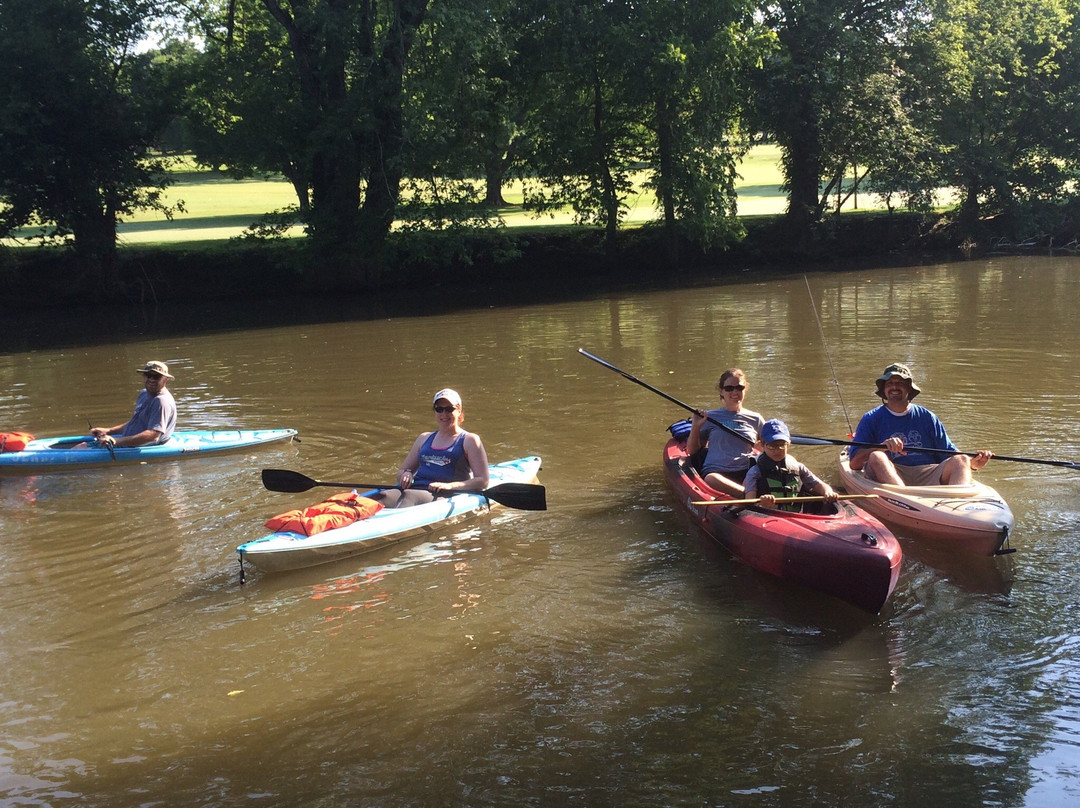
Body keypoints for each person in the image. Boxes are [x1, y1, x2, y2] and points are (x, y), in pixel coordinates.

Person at [849, 362, 991, 486]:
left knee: (962, 459)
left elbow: (950, 455)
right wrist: (881, 447)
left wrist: (974, 464)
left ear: (909, 388)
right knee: (876, 456)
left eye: (900, 383)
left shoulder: (928, 417)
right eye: (890, 383)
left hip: (927, 472)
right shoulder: (871, 418)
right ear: (884, 390)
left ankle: (959, 504)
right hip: (889, 473)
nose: (894, 387)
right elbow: (854, 464)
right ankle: (903, 498)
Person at [373, 388, 490, 508]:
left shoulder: (469, 440)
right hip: (416, 489)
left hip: (445, 493)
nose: (444, 414)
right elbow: (402, 471)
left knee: (409, 496)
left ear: (459, 410)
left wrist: (450, 486)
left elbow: (483, 481)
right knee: (383, 496)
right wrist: (405, 475)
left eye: (449, 409)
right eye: (439, 409)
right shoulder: (424, 438)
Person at [687, 368, 765, 496]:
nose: (735, 392)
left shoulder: (756, 418)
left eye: (739, 388)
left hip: (747, 472)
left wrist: (763, 448)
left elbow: (771, 449)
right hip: (717, 473)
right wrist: (695, 426)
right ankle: (749, 495)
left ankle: (749, 495)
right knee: (711, 479)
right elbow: (692, 451)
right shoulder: (709, 417)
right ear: (721, 391)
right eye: (729, 388)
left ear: (745, 389)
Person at [743, 419, 838, 510]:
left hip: (795, 517)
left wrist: (828, 492)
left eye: (781, 445)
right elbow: (749, 502)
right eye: (772, 446)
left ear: (788, 444)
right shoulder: (755, 471)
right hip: (768, 515)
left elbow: (819, 485)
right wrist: (761, 503)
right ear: (762, 445)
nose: (777, 450)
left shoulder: (798, 467)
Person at [88, 360, 178, 448]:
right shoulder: (144, 393)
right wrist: (109, 431)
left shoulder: (161, 401)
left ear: (166, 379)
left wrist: (116, 441)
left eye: (156, 377)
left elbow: (153, 436)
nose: (151, 380)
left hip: (145, 446)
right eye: (148, 376)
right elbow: (136, 422)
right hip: (129, 441)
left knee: (81, 447)